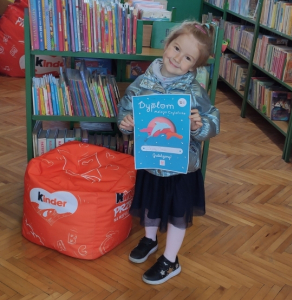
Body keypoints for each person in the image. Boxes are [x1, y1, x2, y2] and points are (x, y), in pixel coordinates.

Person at [117, 20, 220, 285]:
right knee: (150, 202)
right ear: (167, 44)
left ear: (193, 66)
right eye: (176, 48)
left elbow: (212, 121)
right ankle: (150, 240)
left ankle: (170, 260)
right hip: (151, 161)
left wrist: (199, 126)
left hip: (182, 166)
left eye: (187, 57)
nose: (177, 58)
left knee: (177, 211)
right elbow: (126, 111)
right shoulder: (142, 82)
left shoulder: (194, 91)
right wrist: (126, 122)